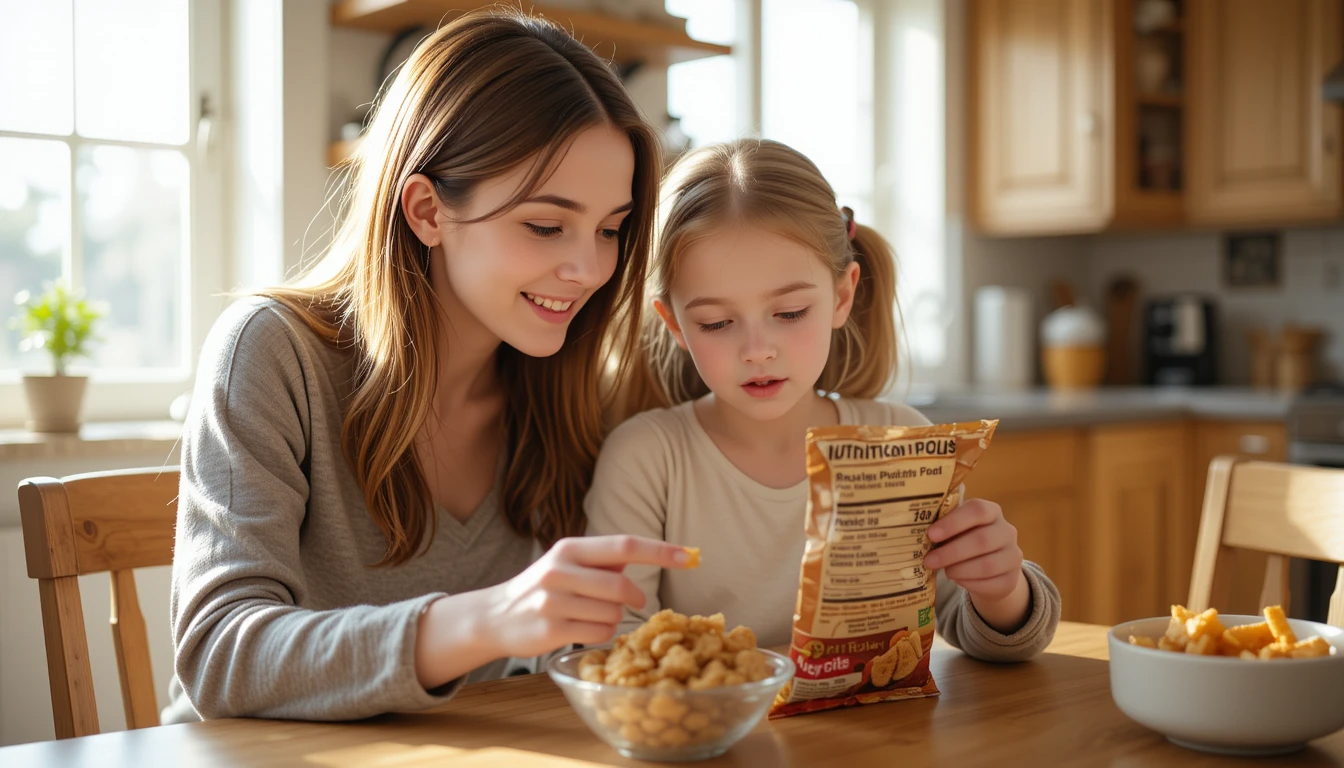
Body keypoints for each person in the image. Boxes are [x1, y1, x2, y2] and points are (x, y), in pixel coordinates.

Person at [165, 10, 692, 724]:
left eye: (610, 229)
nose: (590, 268)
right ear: (426, 210)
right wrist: (486, 619)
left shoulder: (573, 389)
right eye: (545, 225)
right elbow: (220, 655)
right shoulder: (271, 353)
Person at [586, 139, 1060, 659]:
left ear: (841, 294)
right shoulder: (646, 460)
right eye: (716, 323)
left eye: (789, 313)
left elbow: (976, 628)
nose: (757, 351)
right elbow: (614, 652)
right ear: (675, 323)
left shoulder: (897, 440)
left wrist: (1002, 588)